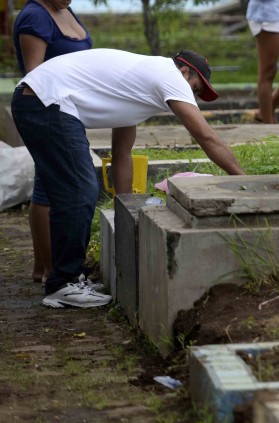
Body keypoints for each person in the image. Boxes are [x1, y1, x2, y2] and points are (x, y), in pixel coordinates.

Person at [12, 49, 246, 309]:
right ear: (184, 72)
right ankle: (62, 283)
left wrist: (124, 211)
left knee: (69, 189)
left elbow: (121, 153)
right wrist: (244, 181)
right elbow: (207, 137)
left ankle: (65, 277)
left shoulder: (136, 87)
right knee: (80, 189)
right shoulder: (169, 75)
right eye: (195, 88)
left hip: (36, 99)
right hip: (47, 102)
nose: (194, 97)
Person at [13, 0, 92, 284]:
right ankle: (52, 270)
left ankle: (45, 267)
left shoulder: (64, 10)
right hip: (47, 110)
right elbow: (36, 76)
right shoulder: (35, 17)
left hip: (68, 110)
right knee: (62, 187)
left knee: (48, 184)